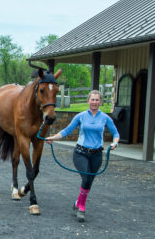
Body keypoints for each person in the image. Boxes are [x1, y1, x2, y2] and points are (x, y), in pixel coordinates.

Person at [44, 89, 119, 222]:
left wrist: (115, 143)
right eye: (92, 99)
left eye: (97, 100)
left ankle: (78, 201)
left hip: (96, 155)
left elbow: (115, 133)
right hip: (80, 153)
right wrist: (53, 138)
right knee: (85, 179)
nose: (94, 102)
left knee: (89, 182)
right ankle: (82, 208)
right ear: (88, 101)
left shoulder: (105, 118)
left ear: (100, 102)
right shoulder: (81, 116)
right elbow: (67, 130)